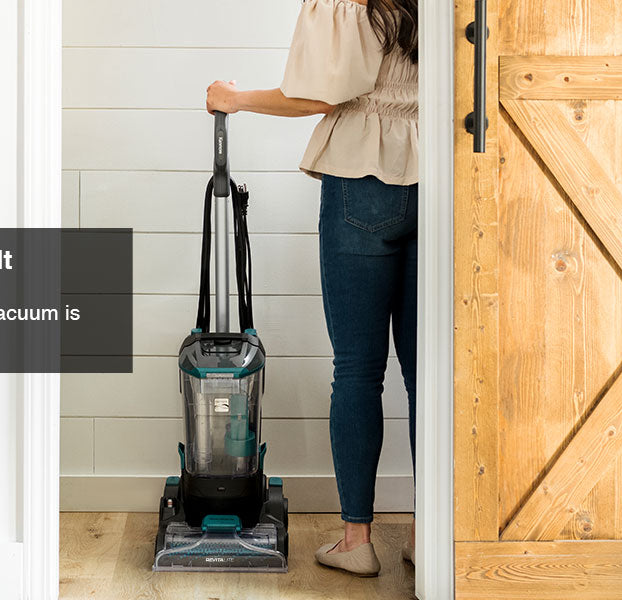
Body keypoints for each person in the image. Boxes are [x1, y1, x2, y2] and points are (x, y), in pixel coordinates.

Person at [204, 0, 418, 578]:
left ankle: (357, 540)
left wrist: (235, 99)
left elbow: (319, 95)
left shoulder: (347, 4)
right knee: (429, 372)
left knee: (356, 369)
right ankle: (434, 534)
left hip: (361, 183)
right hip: (437, 177)